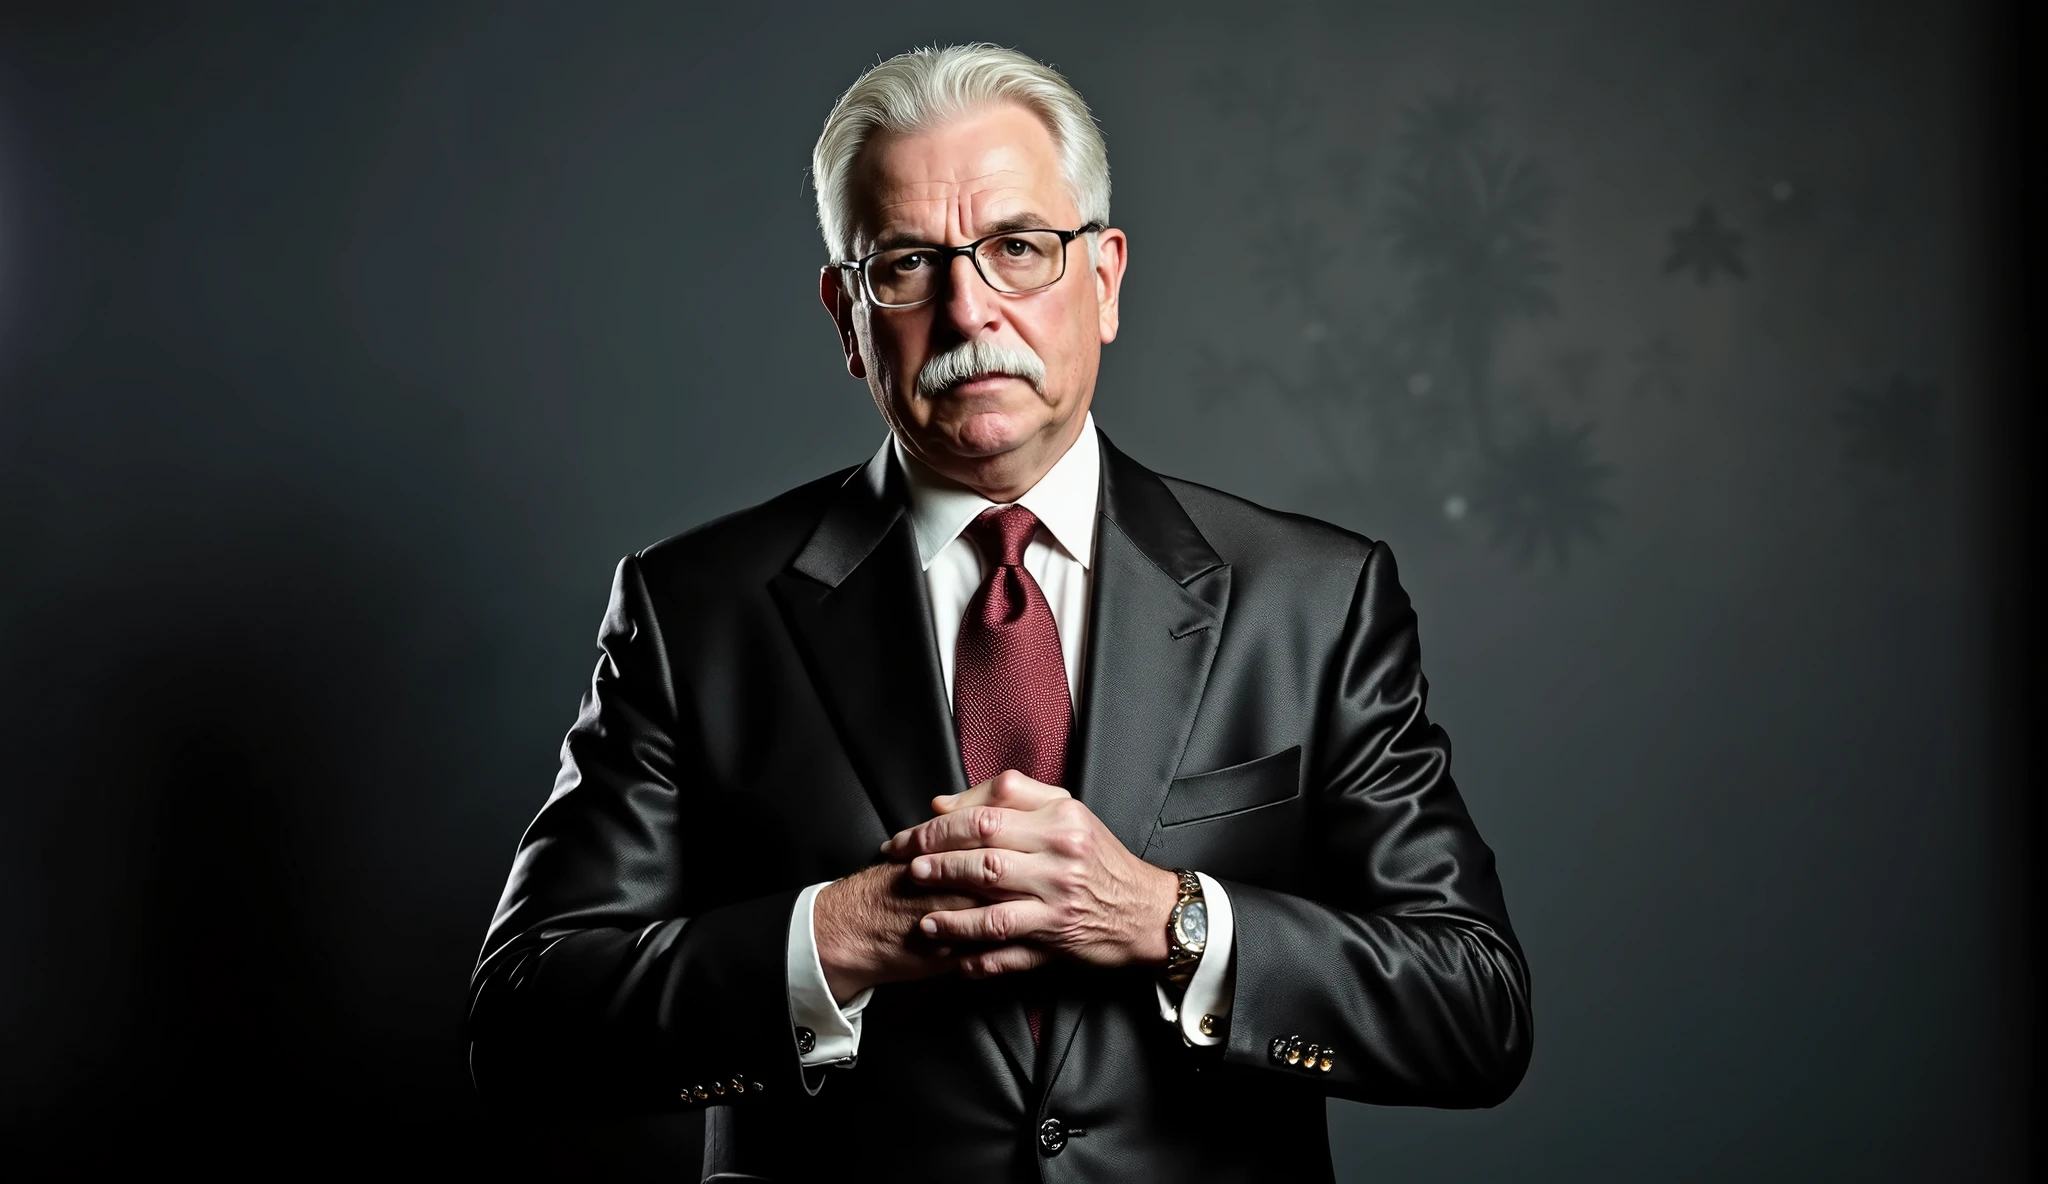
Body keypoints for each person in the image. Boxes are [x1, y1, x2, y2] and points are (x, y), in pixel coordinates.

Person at [468, 42, 1531, 1183]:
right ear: (845, 314)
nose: (969, 306)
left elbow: (1472, 1008)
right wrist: (836, 938)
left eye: (1018, 247)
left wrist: (1167, 919)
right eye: (909, 264)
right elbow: (528, 1023)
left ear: (1106, 280)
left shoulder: (1313, 599)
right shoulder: (692, 610)